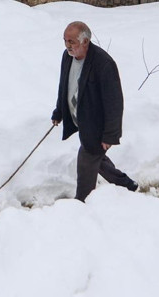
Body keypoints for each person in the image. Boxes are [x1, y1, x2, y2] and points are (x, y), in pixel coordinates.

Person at [51, 21, 138, 201]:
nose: (68, 45)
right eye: (65, 40)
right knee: (96, 159)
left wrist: (110, 135)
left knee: (86, 162)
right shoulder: (67, 57)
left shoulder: (103, 64)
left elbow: (114, 102)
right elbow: (64, 87)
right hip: (81, 120)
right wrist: (59, 111)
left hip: (97, 125)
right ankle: (127, 185)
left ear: (85, 42)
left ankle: (82, 203)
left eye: (72, 41)